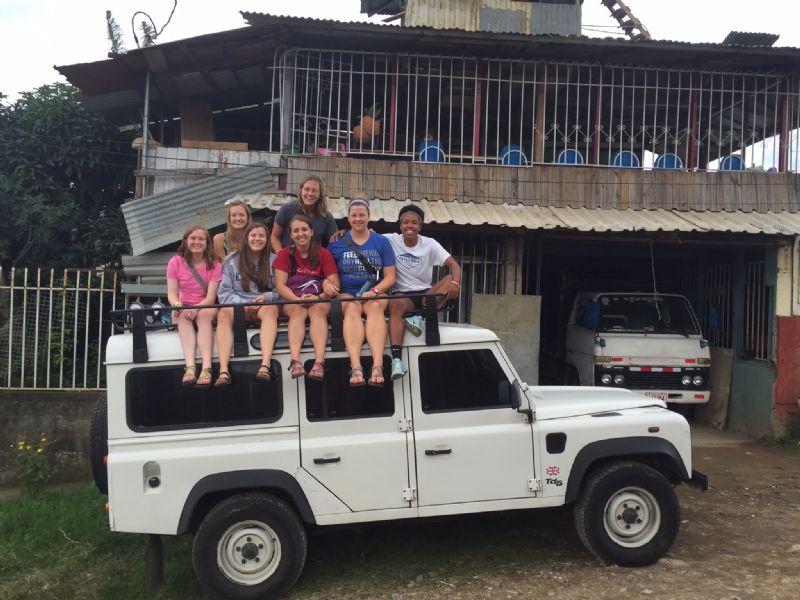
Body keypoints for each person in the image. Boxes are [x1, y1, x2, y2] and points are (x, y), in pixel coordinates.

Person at [386, 205, 461, 380]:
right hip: (403, 296)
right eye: (405, 222)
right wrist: (343, 233)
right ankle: (396, 360)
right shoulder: (391, 239)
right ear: (400, 225)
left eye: (414, 222)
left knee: (450, 278)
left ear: (420, 227)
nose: (409, 226)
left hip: (427, 295)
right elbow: (366, 236)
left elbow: (454, 266)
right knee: (395, 304)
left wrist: (455, 283)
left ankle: (419, 316)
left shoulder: (430, 243)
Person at [328, 198, 396, 387]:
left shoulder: (382, 241)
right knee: (351, 308)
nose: (358, 219)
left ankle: (377, 365)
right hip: (347, 293)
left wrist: (375, 291)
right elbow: (329, 274)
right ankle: (356, 366)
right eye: (354, 215)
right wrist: (328, 285)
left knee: (375, 308)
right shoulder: (336, 244)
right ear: (348, 218)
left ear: (368, 217)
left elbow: (390, 277)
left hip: (376, 292)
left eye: (362, 215)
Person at [273, 214, 341, 381]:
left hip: (318, 297)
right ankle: (295, 361)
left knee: (317, 310)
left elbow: (335, 284)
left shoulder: (323, 253)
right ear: (290, 235)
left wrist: (319, 296)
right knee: (298, 312)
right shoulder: (284, 254)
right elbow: (280, 285)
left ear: (312, 232)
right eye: (296, 231)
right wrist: (298, 300)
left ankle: (319, 362)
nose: (300, 234)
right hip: (293, 298)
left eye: (304, 229)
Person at [215, 222, 281, 386]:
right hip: (238, 304)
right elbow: (224, 293)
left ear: (267, 239)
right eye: (253, 235)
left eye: (261, 236)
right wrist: (243, 303)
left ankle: (265, 365)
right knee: (222, 314)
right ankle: (223, 370)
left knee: (271, 311)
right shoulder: (231, 261)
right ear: (246, 238)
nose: (257, 239)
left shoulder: (274, 260)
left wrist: (267, 296)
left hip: (263, 304)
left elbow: (281, 290)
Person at [166, 225, 223, 387]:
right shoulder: (175, 262)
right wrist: (178, 305)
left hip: (206, 305)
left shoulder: (215, 264)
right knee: (182, 316)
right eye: (193, 238)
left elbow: (211, 298)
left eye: (201, 239)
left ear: (207, 243)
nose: (197, 242)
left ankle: (207, 367)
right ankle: (190, 366)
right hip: (184, 305)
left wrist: (196, 308)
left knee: (203, 315)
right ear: (186, 241)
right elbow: (172, 293)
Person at [270, 175, 338, 253]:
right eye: (307, 189)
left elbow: (335, 242)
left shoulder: (326, 217)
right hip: (288, 258)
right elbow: (275, 237)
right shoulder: (287, 209)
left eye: (314, 190)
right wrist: (281, 254)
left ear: (320, 194)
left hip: (314, 259)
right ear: (301, 191)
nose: (310, 193)